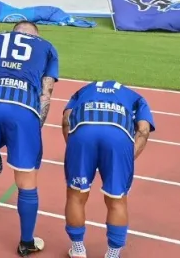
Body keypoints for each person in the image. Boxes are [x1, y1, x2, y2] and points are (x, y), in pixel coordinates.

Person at [0, 21, 59, 255]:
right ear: (35, 35)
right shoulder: (46, 47)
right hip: (24, 110)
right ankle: (26, 242)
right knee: (26, 180)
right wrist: (35, 127)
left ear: (14, 31)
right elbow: (46, 93)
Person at [62, 81, 154, 258]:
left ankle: (78, 250)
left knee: (76, 195)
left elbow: (67, 119)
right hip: (117, 138)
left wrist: (73, 148)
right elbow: (143, 130)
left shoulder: (84, 90)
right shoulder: (135, 97)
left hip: (82, 134)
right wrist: (127, 158)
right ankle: (112, 254)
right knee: (117, 199)